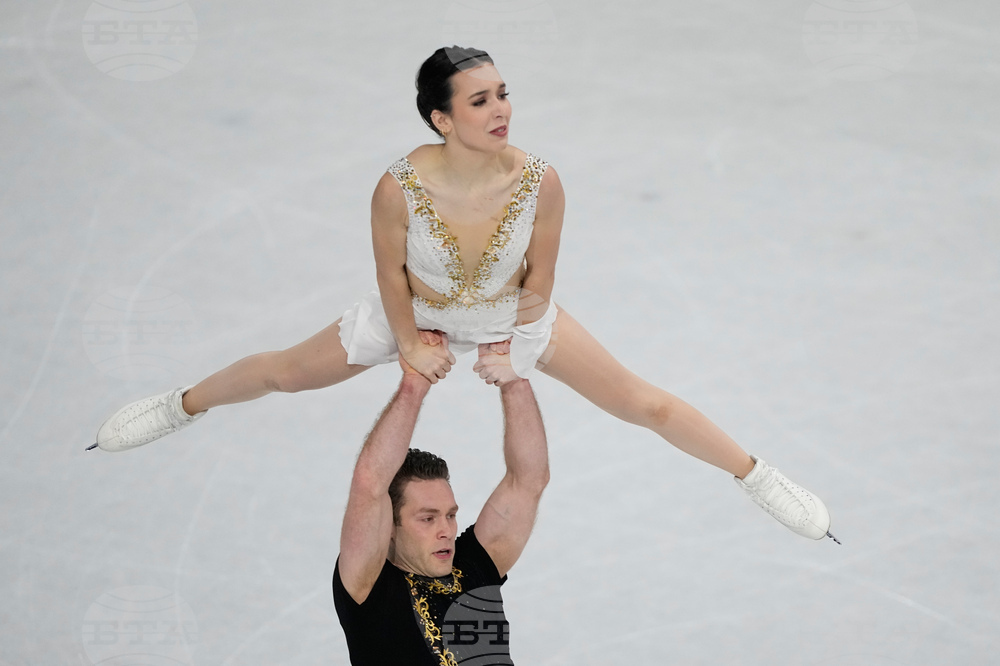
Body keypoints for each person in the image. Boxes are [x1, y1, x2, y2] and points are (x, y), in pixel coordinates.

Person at [89, 46, 838, 544]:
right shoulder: (398, 185)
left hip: (514, 316)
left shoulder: (540, 180)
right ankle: (180, 405)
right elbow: (390, 276)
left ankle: (757, 476)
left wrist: (517, 346)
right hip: (415, 315)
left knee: (649, 406)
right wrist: (409, 343)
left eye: (503, 94)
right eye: (479, 101)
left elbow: (541, 277)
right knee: (285, 373)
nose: (500, 109)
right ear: (441, 119)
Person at [332, 331, 548, 665]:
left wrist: (514, 379)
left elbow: (528, 480)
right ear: (389, 526)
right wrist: (415, 381)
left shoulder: (473, 569)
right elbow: (369, 482)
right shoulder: (371, 589)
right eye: (427, 518)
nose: (446, 530)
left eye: (450, 515)